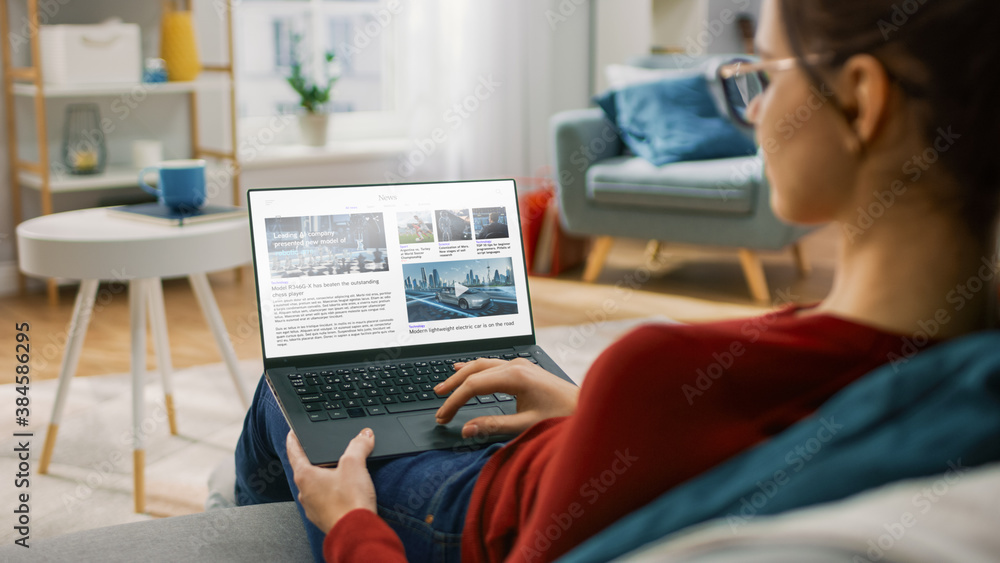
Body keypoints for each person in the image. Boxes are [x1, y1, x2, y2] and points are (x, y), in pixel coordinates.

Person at [235, 1, 1000, 561]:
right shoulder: (960, 371)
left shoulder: (662, 370)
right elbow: (768, 436)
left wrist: (349, 526)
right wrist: (588, 412)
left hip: (466, 512)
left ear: (862, 100)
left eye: (760, 73)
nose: (759, 107)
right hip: (565, 455)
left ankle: (238, 529)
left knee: (284, 393)